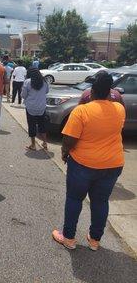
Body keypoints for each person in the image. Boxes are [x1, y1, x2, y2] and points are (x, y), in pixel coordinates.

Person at [52, 72, 125, 251]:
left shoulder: (81, 111)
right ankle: (94, 240)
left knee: (75, 199)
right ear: (110, 91)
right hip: (113, 164)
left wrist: (64, 153)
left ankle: (68, 238)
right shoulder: (119, 109)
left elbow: (69, 140)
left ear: (91, 91)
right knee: (101, 202)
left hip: (84, 164)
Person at [21, 68, 49, 150]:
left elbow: (23, 95)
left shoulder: (27, 82)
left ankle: (33, 145)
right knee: (42, 125)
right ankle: (45, 143)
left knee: (31, 125)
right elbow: (47, 92)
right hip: (41, 107)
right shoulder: (44, 82)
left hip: (31, 107)